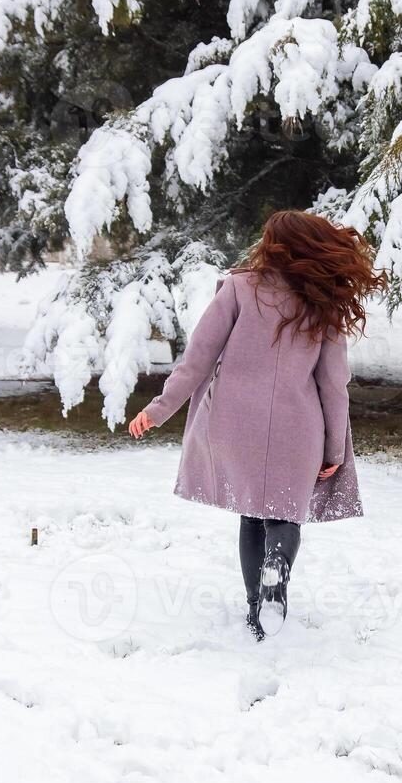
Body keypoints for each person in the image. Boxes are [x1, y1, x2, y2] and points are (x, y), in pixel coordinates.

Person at [129, 209, 387, 639]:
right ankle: (278, 568)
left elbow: (196, 362)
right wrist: (334, 449)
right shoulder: (323, 303)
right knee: (284, 515)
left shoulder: (237, 289)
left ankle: (256, 613)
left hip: (234, 427)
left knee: (252, 515)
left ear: (273, 245)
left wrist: (157, 410)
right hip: (297, 430)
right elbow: (334, 385)